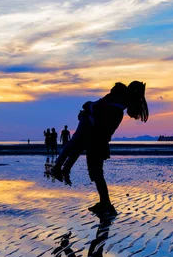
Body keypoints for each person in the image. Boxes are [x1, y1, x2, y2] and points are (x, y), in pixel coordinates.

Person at [51, 81, 149, 217]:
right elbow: (98, 111)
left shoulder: (114, 109)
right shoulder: (117, 108)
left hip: (97, 142)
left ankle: (105, 203)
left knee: (95, 170)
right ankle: (104, 203)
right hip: (98, 141)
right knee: (96, 172)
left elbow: (98, 115)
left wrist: (89, 108)